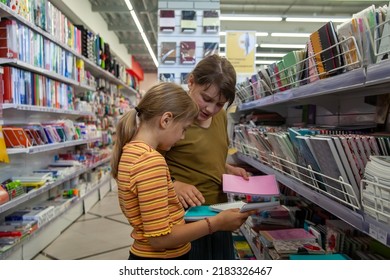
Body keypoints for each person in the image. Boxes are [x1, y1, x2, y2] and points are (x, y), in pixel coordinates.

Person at [111, 82, 253, 260]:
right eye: (184, 129)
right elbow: (161, 240)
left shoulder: (130, 151)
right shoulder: (151, 161)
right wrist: (217, 223)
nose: (182, 137)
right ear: (166, 120)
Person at [163, 54, 250, 260]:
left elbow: (204, 156)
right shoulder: (172, 117)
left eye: (219, 103)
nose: (211, 109)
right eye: (206, 98)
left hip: (219, 215)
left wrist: (227, 169)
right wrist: (173, 184)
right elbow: (144, 164)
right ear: (191, 81)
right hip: (183, 221)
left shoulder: (219, 117)